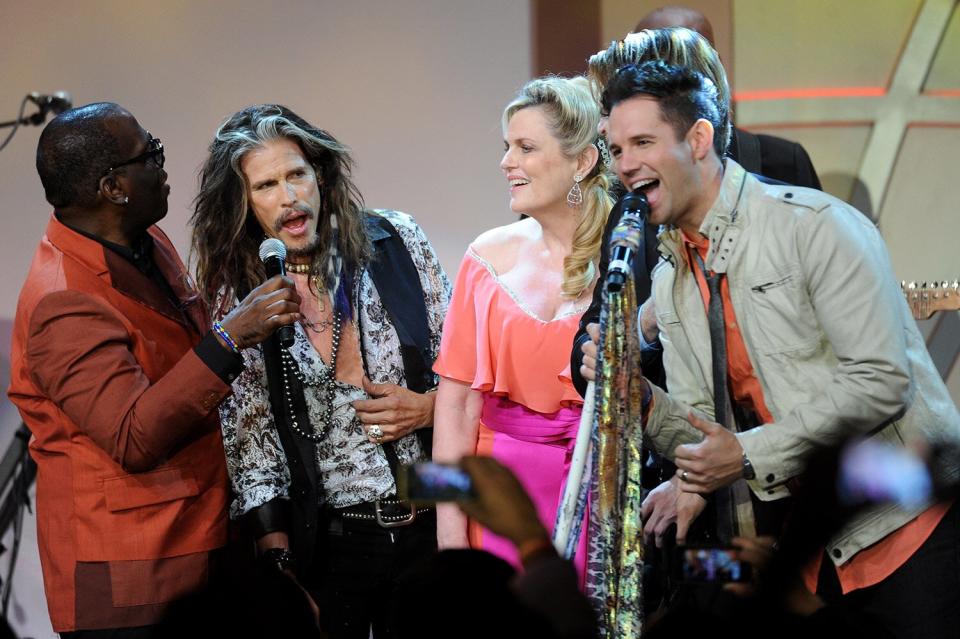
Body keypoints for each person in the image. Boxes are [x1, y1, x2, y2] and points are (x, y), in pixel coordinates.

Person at [585, 60, 960, 638]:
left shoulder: (815, 227)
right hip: (806, 558)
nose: (625, 163)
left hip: (909, 532)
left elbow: (880, 381)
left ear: (699, 139)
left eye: (642, 142)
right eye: (614, 149)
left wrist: (748, 452)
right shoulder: (669, 276)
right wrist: (639, 399)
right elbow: (708, 436)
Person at [7, 103, 300, 636]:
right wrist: (231, 336)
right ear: (114, 186)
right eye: (152, 154)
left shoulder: (142, 240)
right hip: (134, 579)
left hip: (199, 540)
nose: (164, 166)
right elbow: (132, 435)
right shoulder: (63, 301)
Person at [190, 104, 450, 639]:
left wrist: (428, 409)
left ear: (320, 176)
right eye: (265, 186)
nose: (289, 197)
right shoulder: (236, 300)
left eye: (296, 175)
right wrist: (279, 570)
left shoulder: (397, 240)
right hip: (332, 547)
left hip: (433, 523)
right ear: (244, 206)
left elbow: (465, 375)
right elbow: (251, 451)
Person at [432, 76, 612, 577]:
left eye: (525, 148)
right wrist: (449, 534)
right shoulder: (486, 257)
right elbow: (454, 408)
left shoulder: (627, 258)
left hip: (601, 492)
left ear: (582, 162)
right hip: (496, 501)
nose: (506, 162)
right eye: (506, 146)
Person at [634, 5, 822, 189]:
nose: (674, 78)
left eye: (692, 58)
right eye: (658, 62)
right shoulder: (621, 171)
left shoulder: (784, 162)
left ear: (716, 67)